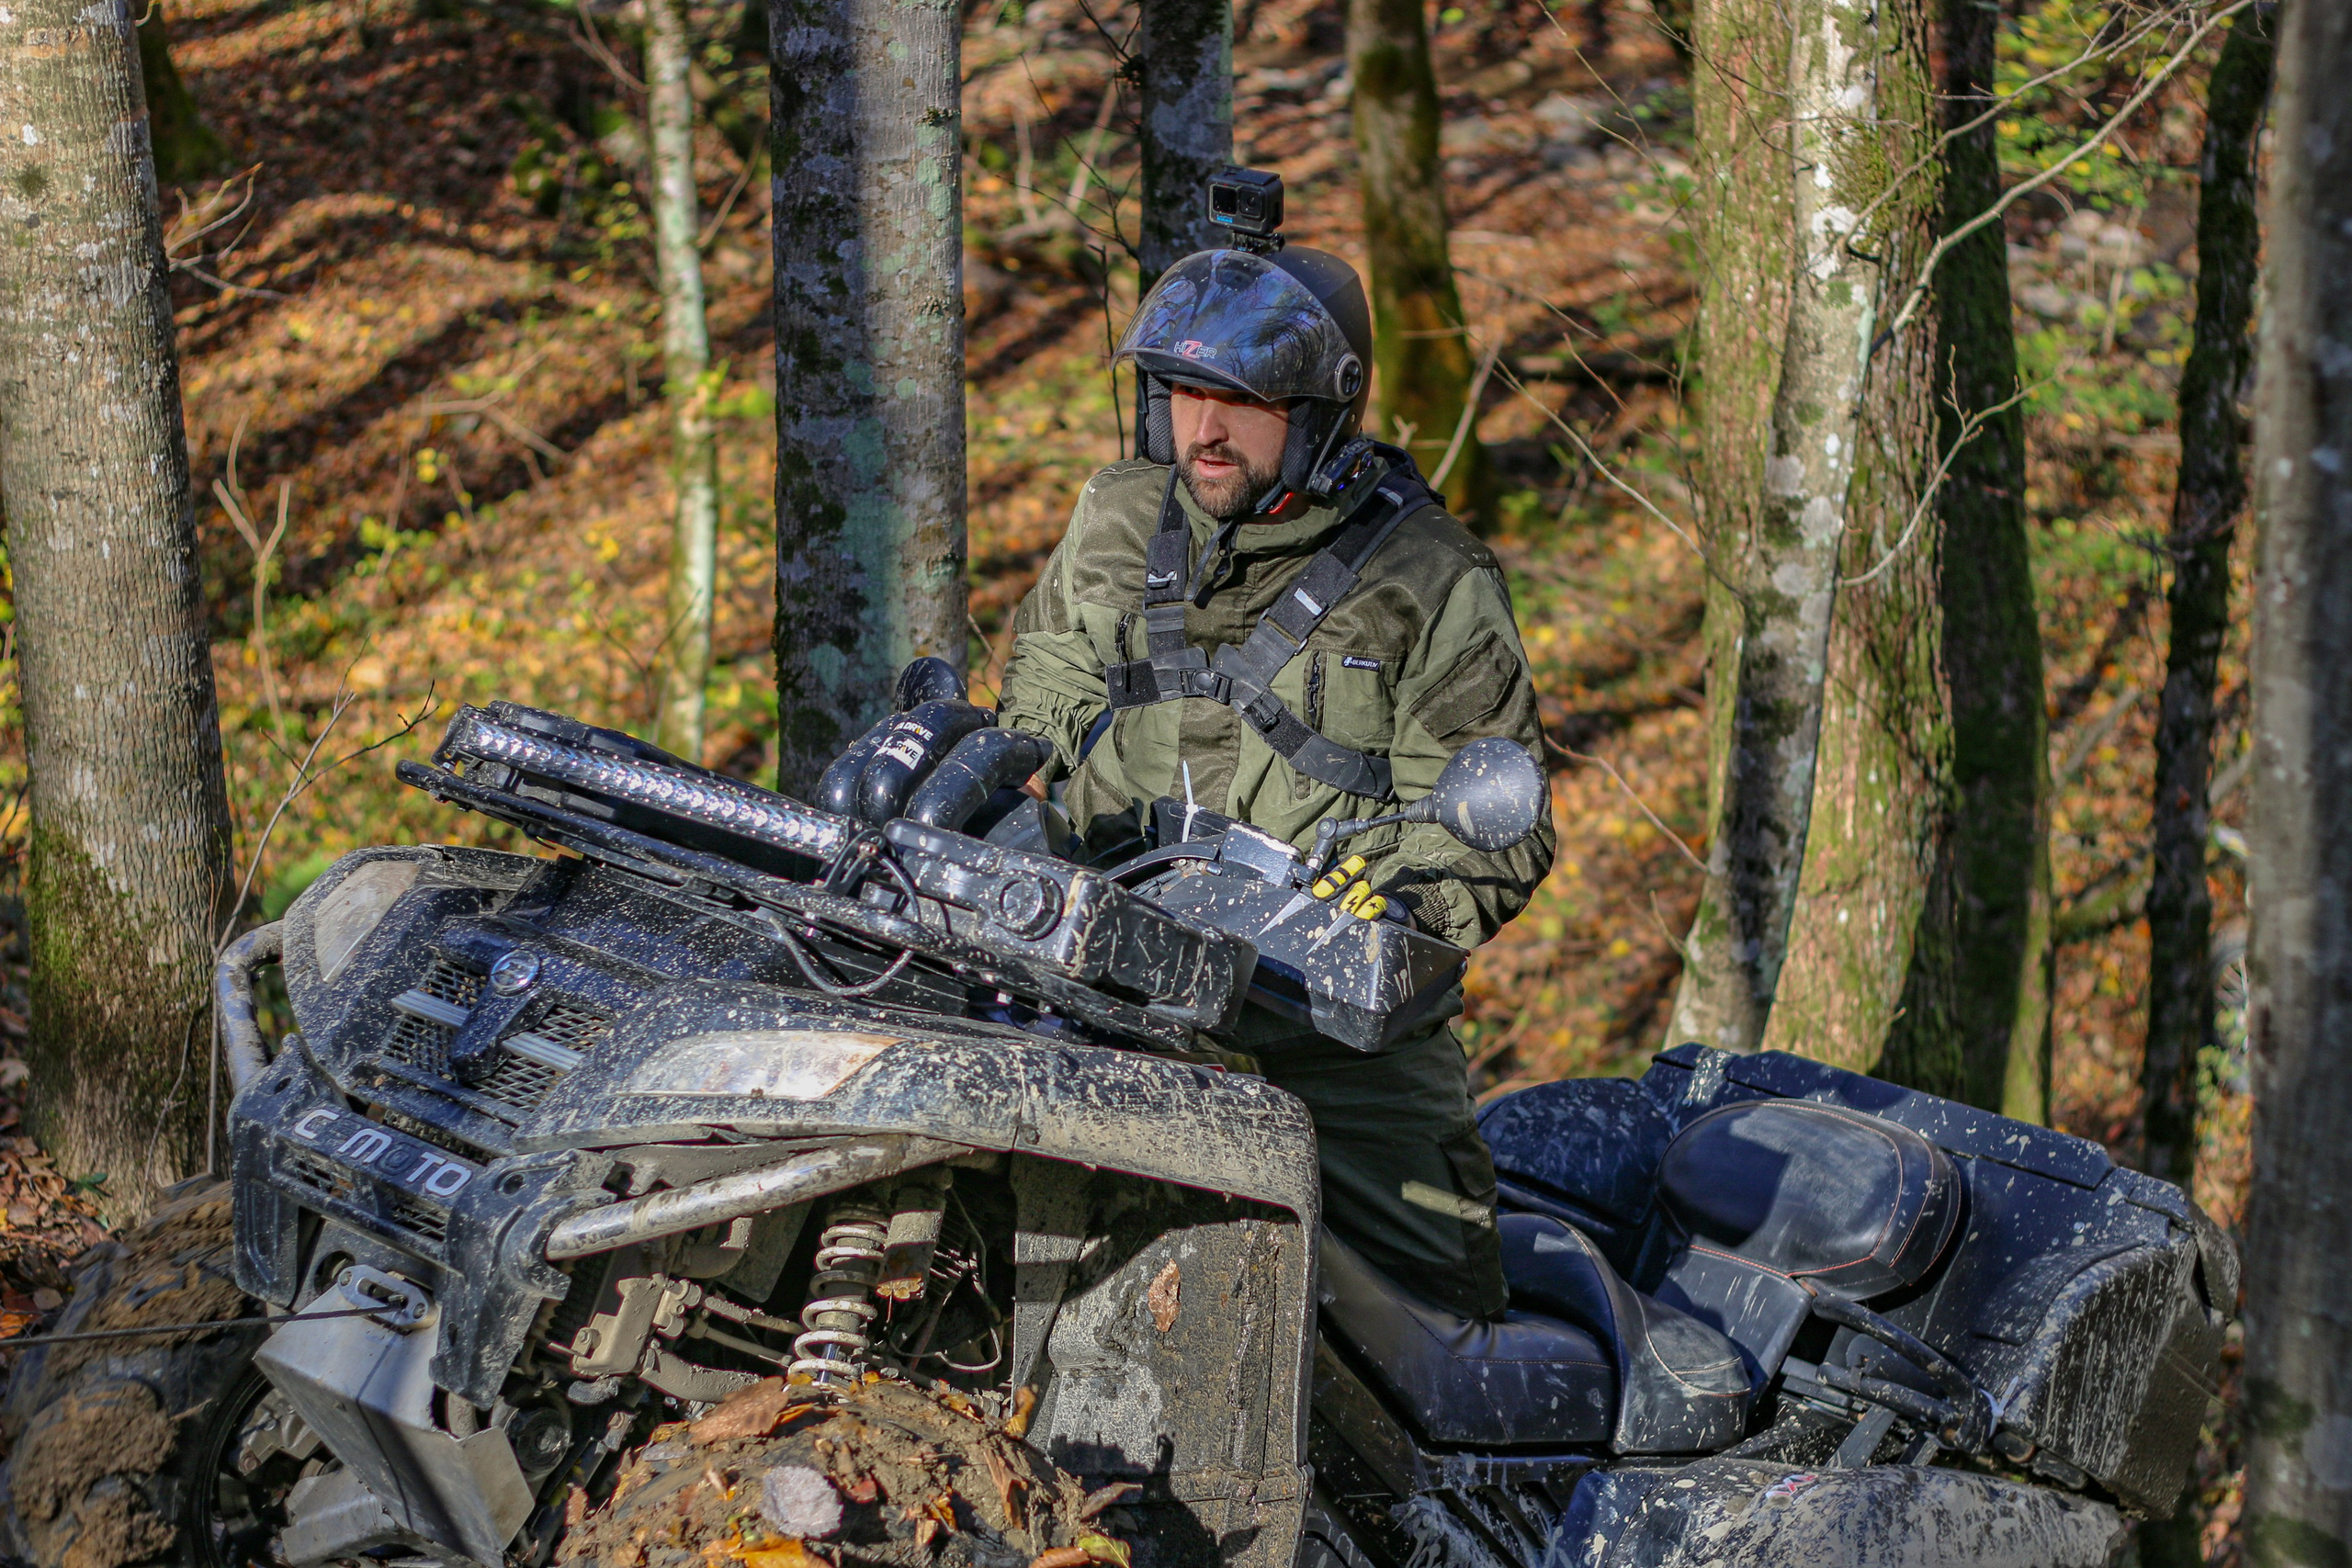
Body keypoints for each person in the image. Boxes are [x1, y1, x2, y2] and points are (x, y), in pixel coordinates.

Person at [993, 235, 1555, 1321]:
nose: (1203, 430)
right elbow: (1044, 695)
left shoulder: (1429, 577)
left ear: (1319, 412)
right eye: (1185, 395)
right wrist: (1009, 785)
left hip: (1322, 1031)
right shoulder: (1118, 515)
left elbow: (1492, 829)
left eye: (1240, 402)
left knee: (1442, 1349)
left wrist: (1383, 902)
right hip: (1102, 973)